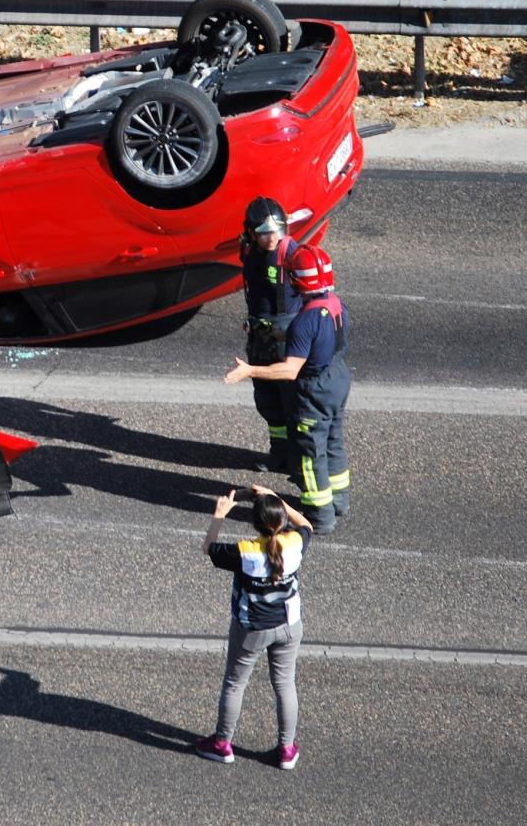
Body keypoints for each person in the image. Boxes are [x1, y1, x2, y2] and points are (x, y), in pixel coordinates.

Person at [223, 243, 350, 532]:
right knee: (333, 440)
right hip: (338, 379)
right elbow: (321, 341)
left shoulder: (305, 320)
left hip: (313, 389)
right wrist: (279, 333)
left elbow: (290, 369)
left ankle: (319, 516)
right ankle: (340, 500)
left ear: (296, 280)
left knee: (309, 453)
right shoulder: (337, 306)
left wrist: (250, 370)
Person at [193, 485, 314, 771]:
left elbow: (208, 548)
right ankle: (286, 748)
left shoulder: (244, 552)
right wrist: (276, 497)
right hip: (288, 624)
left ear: (255, 525)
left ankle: (223, 743)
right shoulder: (295, 544)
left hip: (252, 629)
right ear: (282, 520)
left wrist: (220, 515)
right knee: (284, 684)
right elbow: (307, 524)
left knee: (235, 683)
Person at [237, 197, 299, 472]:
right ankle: (279, 452)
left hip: (285, 339)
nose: (272, 238)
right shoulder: (249, 251)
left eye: (277, 231)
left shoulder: (292, 255)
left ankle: (298, 456)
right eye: (264, 233)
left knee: (291, 400)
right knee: (267, 399)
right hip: (260, 337)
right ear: (251, 233)